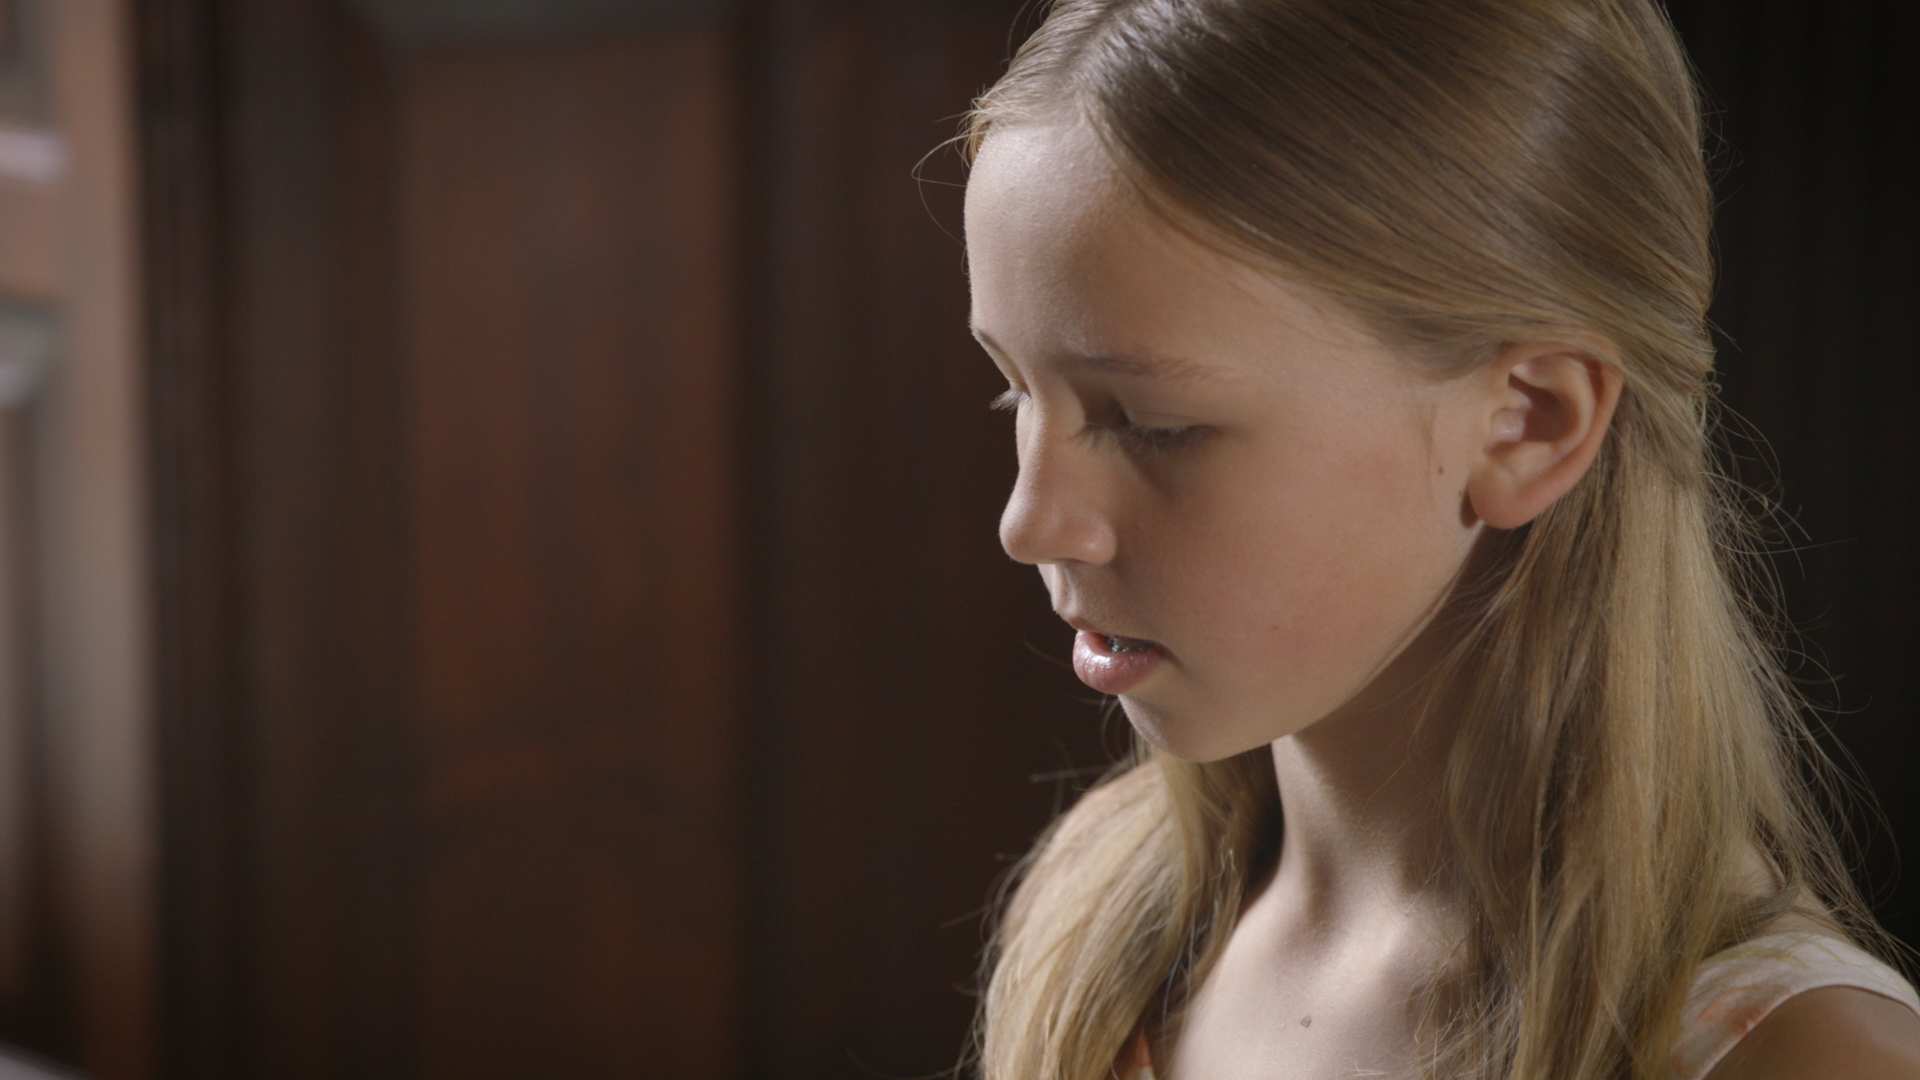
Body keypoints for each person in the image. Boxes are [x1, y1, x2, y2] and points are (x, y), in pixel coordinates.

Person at [957, 1, 1920, 1078]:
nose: (1030, 520)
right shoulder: (1103, 926)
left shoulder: (1804, 1056)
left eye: (1154, 425)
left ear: (1527, 422)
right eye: (1014, 392)